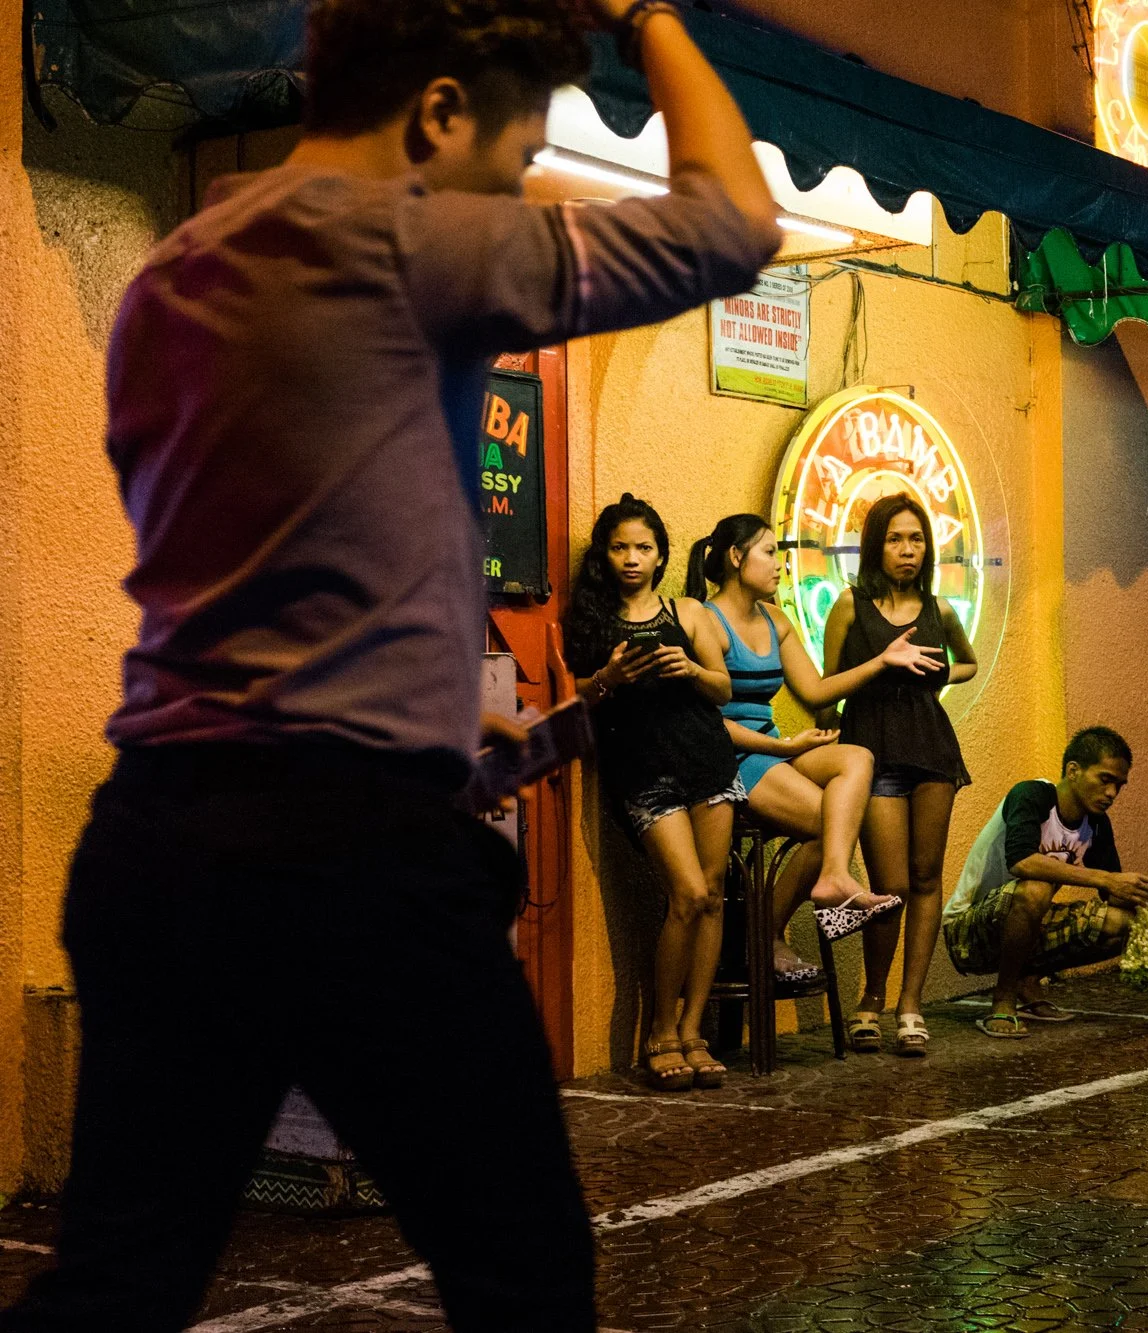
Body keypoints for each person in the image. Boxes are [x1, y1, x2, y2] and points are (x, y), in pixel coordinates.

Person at [0, 0, 783, 1326]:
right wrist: (649, 16)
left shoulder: (171, 278)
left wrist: (421, 708)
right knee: (523, 1273)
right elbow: (730, 222)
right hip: (352, 858)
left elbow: (268, 558)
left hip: (160, 839)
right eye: (514, 162)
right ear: (437, 112)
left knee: (121, 1285)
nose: (514, 197)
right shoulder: (408, 239)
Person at [690, 513, 927, 967]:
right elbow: (706, 719)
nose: (779, 565)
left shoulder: (775, 619)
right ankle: (766, 932)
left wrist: (882, 661)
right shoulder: (706, 619)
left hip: (773, 748)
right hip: (731, 755)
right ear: (736, 557)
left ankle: (829, 880)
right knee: (830, 821)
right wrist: (782, 748)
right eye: (769, 553)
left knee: (857, 759)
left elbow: (816, 691)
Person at [565, 496, 741, 1092]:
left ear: (661, 556)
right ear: (605, 555)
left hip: (706, 762)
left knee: (712, 897)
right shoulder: (592, 620)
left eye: (643, 547)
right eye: (620, 547)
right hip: (643, 773)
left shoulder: (686, 612)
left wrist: (690, 670)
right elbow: (572, 697)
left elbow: (722, 689)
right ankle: (660, 1032)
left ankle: (694, 1031)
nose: (632, 558)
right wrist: (608, 678)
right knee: (686, 893)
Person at [820, 495, 978, 1058]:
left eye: (916, 539)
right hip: (872, 751)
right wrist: (825, 741)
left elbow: (969, 662)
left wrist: (939, 673)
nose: (908, 549)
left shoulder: (941, 609)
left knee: (927, 877)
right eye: (895, 539)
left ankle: (911, 1006)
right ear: (874, 546)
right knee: (891, 887)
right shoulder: (849, 605)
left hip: (932, 750)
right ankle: (872, 998)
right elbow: (826, 688)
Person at [945, 727, 1148, 1038]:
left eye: (1119, 785)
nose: (1112, 793)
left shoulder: (1096, 824)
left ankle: (1027, 982)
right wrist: (1107, 878)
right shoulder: (1032, 795)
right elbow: (1022, 861)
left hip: (1025, 927)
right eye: (1105, 780)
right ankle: (1003, 1001)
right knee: (1035, 887)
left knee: (1126, 923)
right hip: (967, 933)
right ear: (1073, 771)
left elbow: (1112, 894)